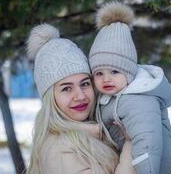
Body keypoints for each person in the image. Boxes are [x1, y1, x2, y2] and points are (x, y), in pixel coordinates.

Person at [26, 23, 135, 174]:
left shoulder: (98, 129)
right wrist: (131, 145)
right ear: (50, 97)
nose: (80, 96)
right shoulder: (58, 150)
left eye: (84, 84)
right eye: (66, 88)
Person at [89, 1, 171, 174]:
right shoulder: (111, 97)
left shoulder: (138, 99)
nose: (106, 78)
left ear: (128, 72)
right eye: (99, 73)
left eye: (114, 71)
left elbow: (147, 143)